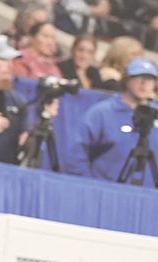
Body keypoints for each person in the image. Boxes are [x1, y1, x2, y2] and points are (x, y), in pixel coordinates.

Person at [65, 57, 158, 186]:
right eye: (138, 77)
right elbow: (77, 153)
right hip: (106, 190)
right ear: (126, 79)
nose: (144, 83)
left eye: (150, 79)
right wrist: (90, 185)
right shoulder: (102, 112)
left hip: (149, 194)